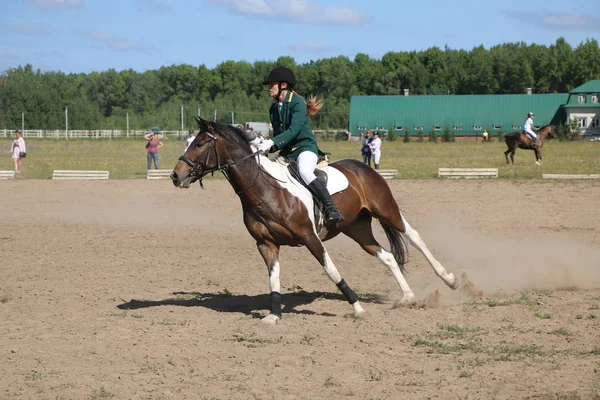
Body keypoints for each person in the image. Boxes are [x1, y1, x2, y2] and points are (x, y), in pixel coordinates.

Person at [256, 66, 344, 227]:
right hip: (288, 153)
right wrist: (265, 147)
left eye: (272, 84)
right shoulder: (274, 108)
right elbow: (279, 135)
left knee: (304, 171)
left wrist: (272, 142)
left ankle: (332, 209)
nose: (269, 88)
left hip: (305, 148)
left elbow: (294, 130)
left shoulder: (297, 103)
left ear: (284, 84)